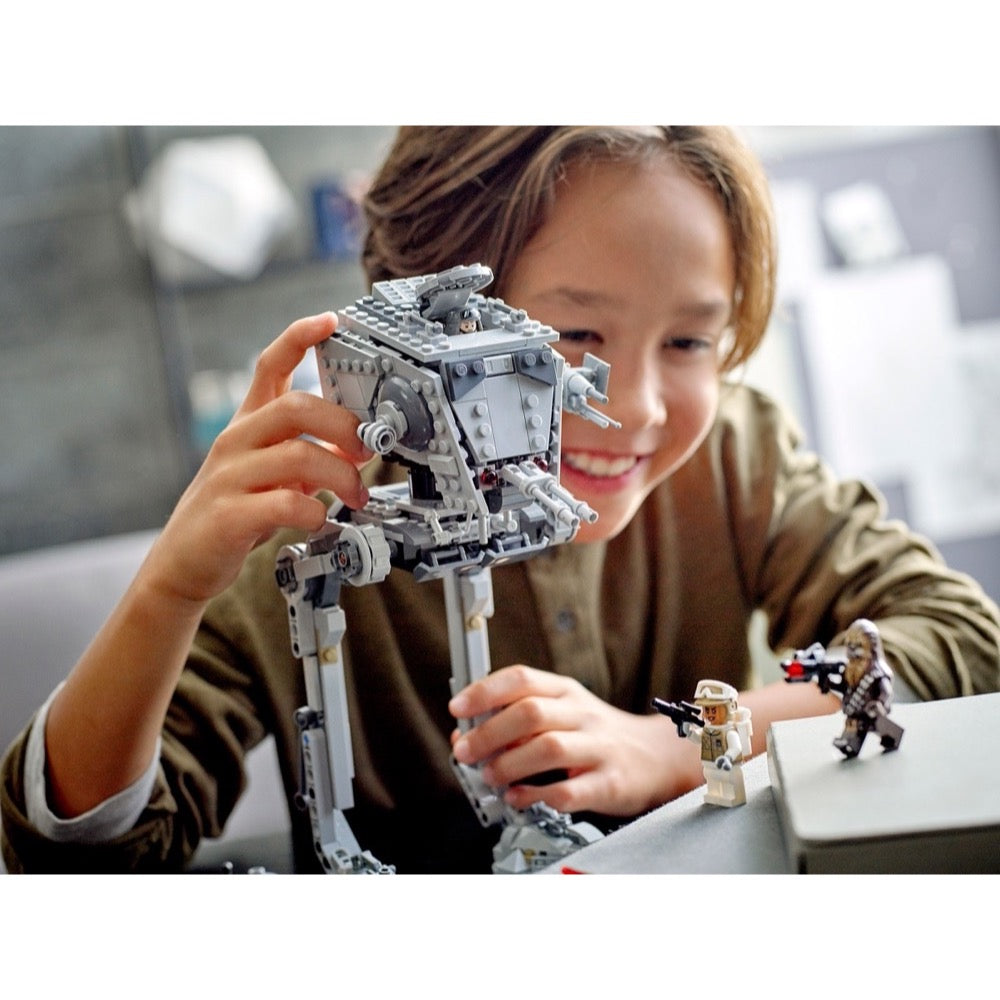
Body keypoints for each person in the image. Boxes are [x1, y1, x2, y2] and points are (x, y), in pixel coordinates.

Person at [2, 127, 998, 873]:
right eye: (573, 338)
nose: (638, 407)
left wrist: (680, 744)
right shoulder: (306, 522)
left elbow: (962, 643)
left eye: (690, 341)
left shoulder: (738, 454)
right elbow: (75, 856)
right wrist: (168, 590)